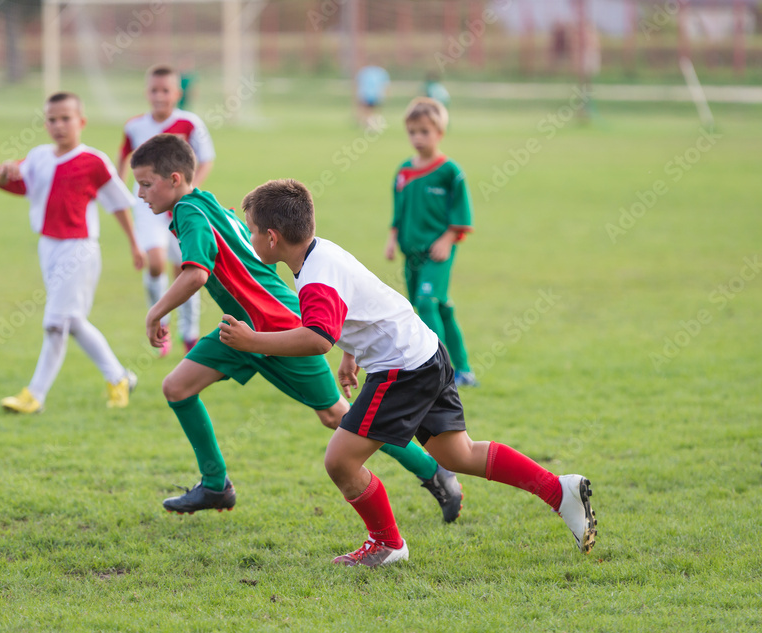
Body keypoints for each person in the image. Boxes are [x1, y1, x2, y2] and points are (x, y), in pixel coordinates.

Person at [220, 178, 597, 567]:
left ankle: (387, 543)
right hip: (424, 352)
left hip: (402, 369)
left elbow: (318, 339)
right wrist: (352, 354)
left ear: (271, 237)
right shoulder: (322, 253)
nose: (248, 237)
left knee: (341, 461)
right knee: (457, 453)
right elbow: (358, 306)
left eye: (250, 230)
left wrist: (253, 342)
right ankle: (559, 491)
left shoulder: (315, 278)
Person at [129, 134, 463, 520]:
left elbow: (196, 274)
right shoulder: (202, 201)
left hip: (277, 325)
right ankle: (215, 485)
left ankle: (434, 473)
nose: (140, 193)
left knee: (337, 415)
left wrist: (156, 312)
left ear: (174, 179)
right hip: (241, 329)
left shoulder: (189, 212)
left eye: (145, 183)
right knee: (177, 387)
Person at [0, 92, 143, 413]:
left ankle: (34, 396)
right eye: (52, 119)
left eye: (66, 118)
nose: (58, 125)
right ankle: (119, 377)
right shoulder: (39, 157)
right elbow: (18, 182)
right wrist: (4, 172)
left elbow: (118, 205)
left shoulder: (94, 161)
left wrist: (134, 244)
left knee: (55, 323)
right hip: (48, 247)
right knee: (71, 321)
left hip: (79, 249)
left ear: (81, 122)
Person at [118, 64, 215, 357]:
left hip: (181, 207)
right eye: (154, 90)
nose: (159, 96)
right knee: (157, 263)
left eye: (165, 90)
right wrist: (123, 195)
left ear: (177, 93)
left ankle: (190, 333)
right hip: (148, 206)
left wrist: (188, 192)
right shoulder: (135, 126)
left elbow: (206, 159)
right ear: (147, 92)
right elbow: (121, 162)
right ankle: (160, 323)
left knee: (187, 270)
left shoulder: (190, 123)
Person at [385, 97, 477, 387]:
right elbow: (398, 209)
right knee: (439, 307)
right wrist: (392, 238)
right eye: (412, 132)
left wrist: (449, 238)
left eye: (424, 131)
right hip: (410, 252)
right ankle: (463, 369)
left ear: (440, 132)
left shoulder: (450, 172)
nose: (418, 137)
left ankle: (440, 372)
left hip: (438, 252)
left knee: (426, 303)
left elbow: (462, 213)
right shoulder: (403, 171)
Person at [355, 64, 390, 129]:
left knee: (369, 112)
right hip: (373, 95)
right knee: (371, 111)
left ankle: (370, 125)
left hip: (370, 95)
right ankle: (372, 125)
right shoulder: (380, 71)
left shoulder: (365, 71)